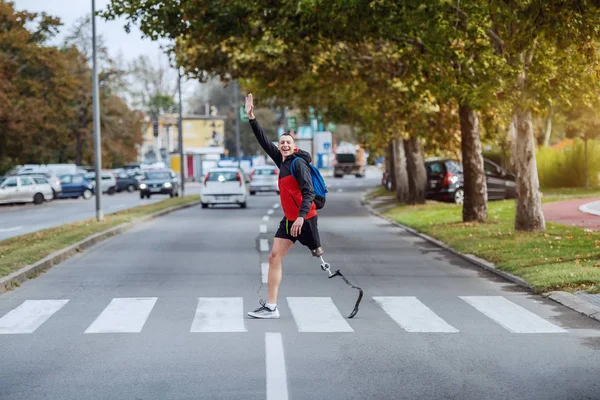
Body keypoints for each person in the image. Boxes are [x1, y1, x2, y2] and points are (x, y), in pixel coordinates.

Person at [245, 93, 323, 319]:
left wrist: (300, 218)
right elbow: (262, 140)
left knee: (319, 258)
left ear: (294, 146)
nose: (284, 145)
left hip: (304, 219)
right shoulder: (282, 160)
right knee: (273, 257)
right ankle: (271, 307)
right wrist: (252, 117)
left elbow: (308, 192)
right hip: (290, 220)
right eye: (281, 143)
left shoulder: (299, 164)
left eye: (288, 142)